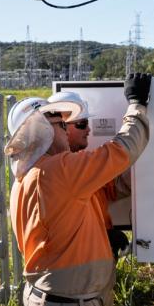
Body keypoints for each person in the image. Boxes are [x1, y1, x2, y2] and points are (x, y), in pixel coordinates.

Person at [5, 73, 152, 306]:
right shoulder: (59, 171)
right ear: (42, 130)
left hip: (55, 303)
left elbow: (73, 215)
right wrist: (137, 104)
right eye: (60, 124)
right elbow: (121, 151)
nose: (65, 128)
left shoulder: (27, 177)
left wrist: (100, 236)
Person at [45, 91, 131, 258]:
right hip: (78, 273)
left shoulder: (79, 166)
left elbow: (112, 187)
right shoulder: (58, 172)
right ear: (61, 127)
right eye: (82, 124)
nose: (89, 129)